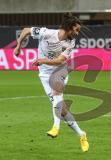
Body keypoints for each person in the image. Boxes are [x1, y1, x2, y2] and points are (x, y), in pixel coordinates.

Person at [13, 13, 89, 152]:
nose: (78, 33)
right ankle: (81, 134)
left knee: (56, 91)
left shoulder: (70, 42)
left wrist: (42, 61)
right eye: (76, 29)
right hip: (44, 74)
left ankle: (55, 127)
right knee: (63, 110)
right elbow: (25, 31)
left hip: (60, 71)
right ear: (69, 27)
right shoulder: (46, 33)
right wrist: (18, 47)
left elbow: (60, 60)